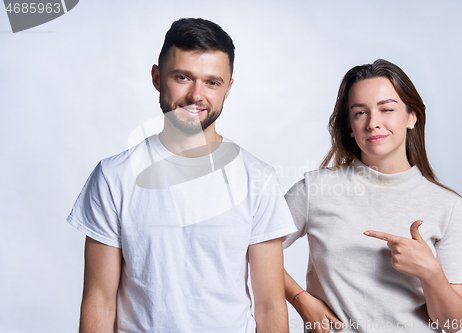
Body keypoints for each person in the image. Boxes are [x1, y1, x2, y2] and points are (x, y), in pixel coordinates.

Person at [67, 18, 297, 333]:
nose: (195, 95)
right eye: (183, 77)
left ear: (228, 88)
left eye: (212, 82)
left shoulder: (258, 179)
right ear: (157, 77)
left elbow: (270, 306)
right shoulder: (114, 176)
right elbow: (99, 300)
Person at [283, 59, 462, 333]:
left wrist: (431, 273)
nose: (373, 123)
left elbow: (451, 324)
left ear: (411, 116)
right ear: (349, 124)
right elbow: (254, 246)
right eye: (360, 113)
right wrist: (301, 300)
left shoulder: (448, 206)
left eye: (387, 109)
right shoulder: (316, 189)